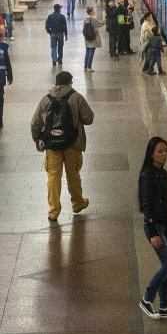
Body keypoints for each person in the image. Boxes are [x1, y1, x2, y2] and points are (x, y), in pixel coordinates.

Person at [30, 71, 94, 221]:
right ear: (69, 83)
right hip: (72, 144)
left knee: (53, 177)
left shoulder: (46, 100)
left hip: (52, 145)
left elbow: (35, 123)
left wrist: (37, 140)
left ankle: (53, 211)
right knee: (73, 174)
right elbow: (89, 118)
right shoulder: (76, 97)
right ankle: (78, 203)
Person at [138, 137, 167, 320]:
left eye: (166, 151)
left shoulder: (164, 174)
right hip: (155, 227)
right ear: (151, 153)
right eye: (160, 151)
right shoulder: (147, 176)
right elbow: (146, 205)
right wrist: (152, 232)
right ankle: (147, 298)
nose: (164, 154)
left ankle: (165, 306)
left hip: (166, 225)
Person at [82, 6, 105, 72]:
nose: (95, 11)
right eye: (94, 10)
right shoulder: (93, 20)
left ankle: (85, 67)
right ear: (91, 12)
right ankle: (89, 67)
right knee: (91, 51)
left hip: (87, 38)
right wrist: (104, 16)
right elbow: (101, 23)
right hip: (93, 37)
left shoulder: (85, 19)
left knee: (87, 51)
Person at [0, 36, 12, 128]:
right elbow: (7, 62)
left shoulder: (4, 47)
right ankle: (0, 120)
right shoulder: (3, 47)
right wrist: (10, 77)